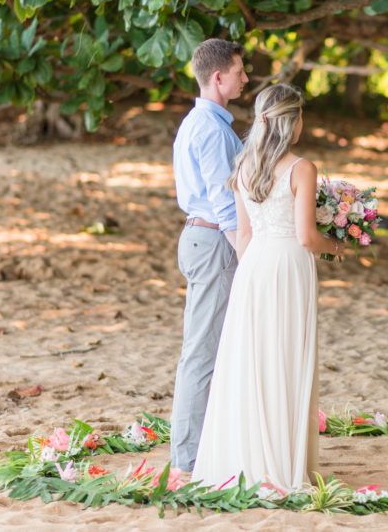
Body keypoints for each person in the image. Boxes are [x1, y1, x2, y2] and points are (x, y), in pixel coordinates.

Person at [192, 84, 345, 491]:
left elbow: (242, 234)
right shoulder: (302, 168)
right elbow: (307, 237)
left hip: (254, 266)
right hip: (289, 265)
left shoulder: (244, 166)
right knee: (286, 357)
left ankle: (247, 458)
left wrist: (252, 276)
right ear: (293, 124)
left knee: (253, 361)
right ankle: (282, 463)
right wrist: (339, 246)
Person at [170, 38, 249, 472]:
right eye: (239, 71)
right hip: (214, 239)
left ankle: (205, 447)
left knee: (210, 348)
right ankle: (188, 459)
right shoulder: (213, 130)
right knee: (201, 352)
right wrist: (248, 253)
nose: (245, 78)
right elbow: (225, 204)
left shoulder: (200, 123)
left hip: (203, 238)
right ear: (218, 77)